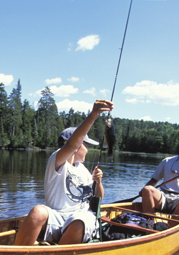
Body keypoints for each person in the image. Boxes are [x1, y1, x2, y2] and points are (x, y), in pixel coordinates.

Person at [14, 99, 114, 246]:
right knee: (38, 212)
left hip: (79, 219)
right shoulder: (57, 161)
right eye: (86, 145)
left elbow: (97, 201)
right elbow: (72, 145)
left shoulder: (84, 170)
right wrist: (94, 114)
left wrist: (98, 182)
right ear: (78, 145)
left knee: (79, 221)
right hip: (57, 218)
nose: (87, 149)